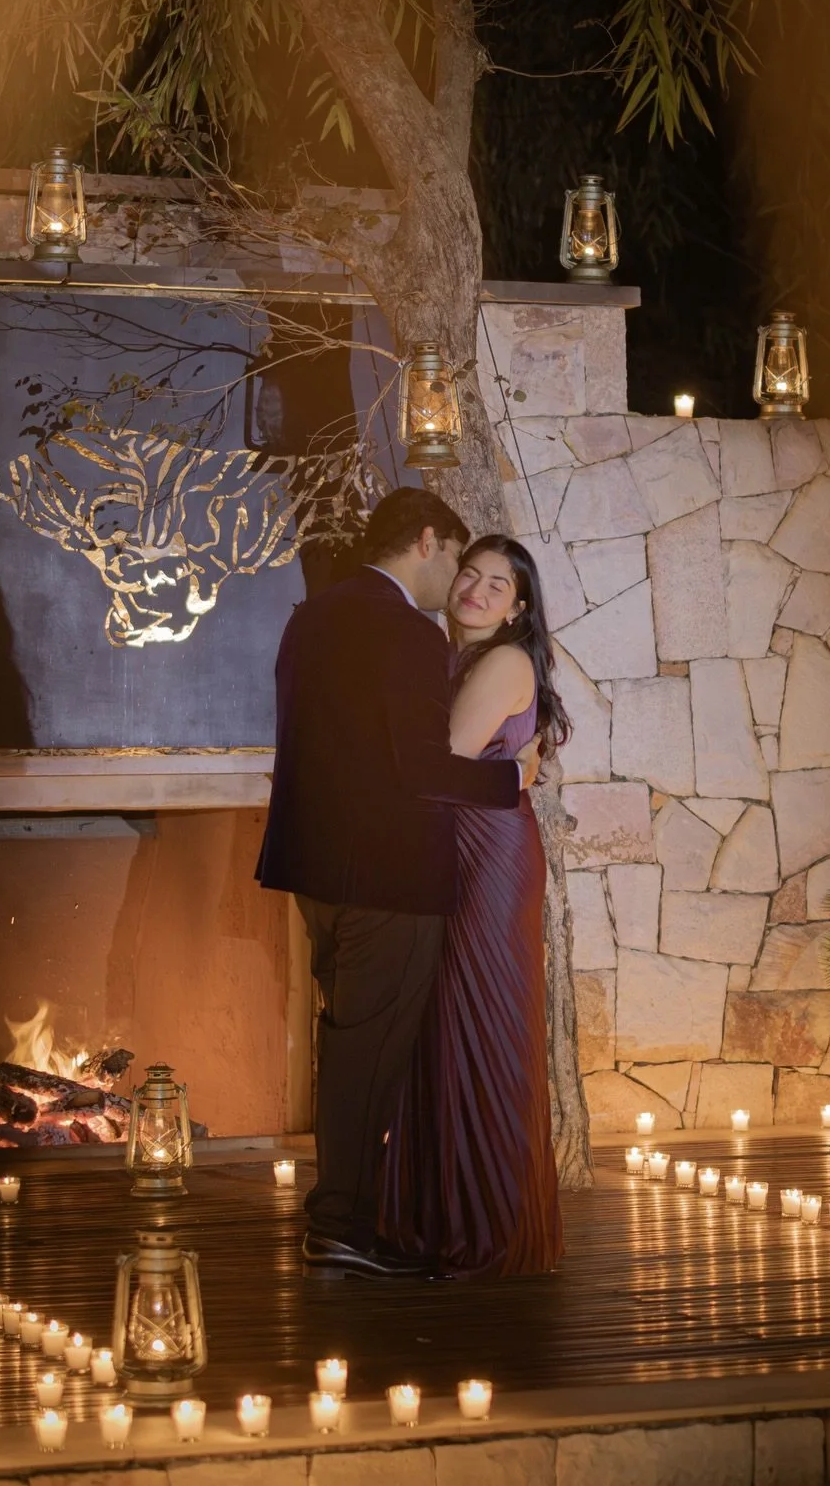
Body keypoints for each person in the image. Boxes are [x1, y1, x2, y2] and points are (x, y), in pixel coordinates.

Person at [258, 489, 541, 1281]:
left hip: (314, 868)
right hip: (389, 873)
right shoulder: (410, 634)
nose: (457, 582)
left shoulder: (310, 617)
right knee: (369, 1052)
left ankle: (345, 1215)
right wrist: (512, 780)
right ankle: (343, 1223)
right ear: (429, 540)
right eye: (457, 560)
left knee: (345, 1039)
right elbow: (420, 769)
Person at [380, 535, 568, 1277]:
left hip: (485, 858)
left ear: (519, 607)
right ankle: (442, 1214)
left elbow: (445, 761)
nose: (479, 590)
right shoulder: (454, 654)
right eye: (471, 574)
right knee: (446, 1024)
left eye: (500, 584)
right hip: (465, 848)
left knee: (476, 1020)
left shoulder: (502, 660)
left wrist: (517, 775)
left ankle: (480, 1224)